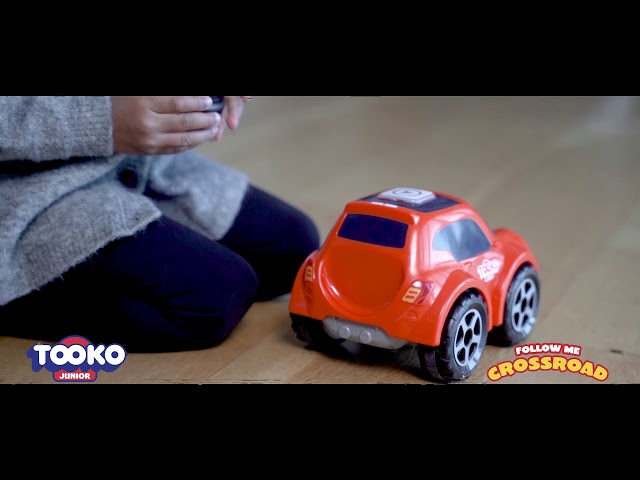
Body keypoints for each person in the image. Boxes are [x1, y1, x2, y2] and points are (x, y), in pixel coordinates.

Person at [0, 96, 320, 353]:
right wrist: (98, 120)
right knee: (213, 298)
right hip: (19, 187)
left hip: (128, 160)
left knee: (291, 248)